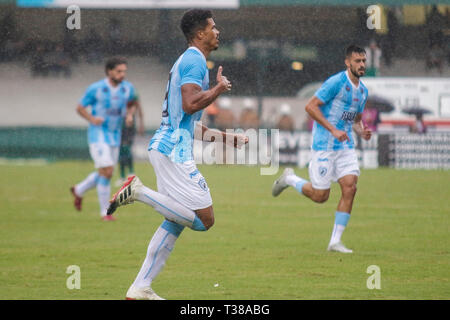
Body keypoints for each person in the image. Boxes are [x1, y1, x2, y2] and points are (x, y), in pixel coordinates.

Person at [106, 9, 248, 300]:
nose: (217, 31)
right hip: (173, 152)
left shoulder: (189, 60)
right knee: (203, 219)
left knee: (175, 220)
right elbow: (190, 104)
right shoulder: (195, 59)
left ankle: (140, 287)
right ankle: (138, 191)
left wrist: (226, 138)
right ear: (199, 34)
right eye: (213, 27)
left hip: (169, 146)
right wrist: (219, 88)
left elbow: (187, 121)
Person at [272, 45, 372, 254]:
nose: (361, 65)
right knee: (320, 196)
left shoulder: (363, 91)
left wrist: (361, 131)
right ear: (348, 62)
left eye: (363, 61)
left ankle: (335, 241)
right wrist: (333, 130)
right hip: (324, 145)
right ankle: (290, 179)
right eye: (357, 61)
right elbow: (310, 106)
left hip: (345, 146)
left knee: (350, 187)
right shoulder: (336, 82)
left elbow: (355, 120)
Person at [70, 57, 136, 221]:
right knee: (106, 171)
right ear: (109, 72)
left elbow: (132, 104)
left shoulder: (127, 88)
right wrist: (91, 118)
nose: (122, 75)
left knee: (107, 172)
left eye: (124, 71)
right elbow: (80, 107)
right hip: (98, 134)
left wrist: (129, 115)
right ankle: (105, 213)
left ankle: (79, 190)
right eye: (119, 71)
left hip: (115, 135)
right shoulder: (96, 89)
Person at [115, 91, 145, 187]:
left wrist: (141, 124)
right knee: (121, 150)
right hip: (119, 125)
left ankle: (131, 173)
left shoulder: (132, 94)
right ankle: (122, 176)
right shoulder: (116, 95)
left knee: (127, 148)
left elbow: (138, 109)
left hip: (129, 124)